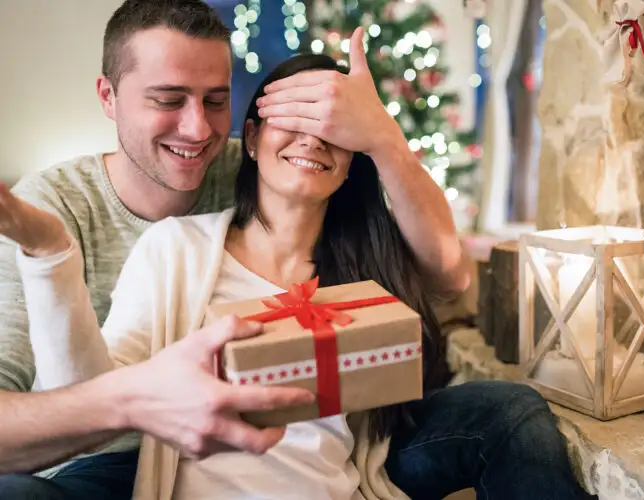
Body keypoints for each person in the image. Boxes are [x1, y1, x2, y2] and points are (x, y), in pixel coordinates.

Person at [0, 1, 590, 499]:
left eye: (212, 102)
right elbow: (88, 397)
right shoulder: (158, 240)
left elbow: (450, 272)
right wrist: (53, 255)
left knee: (511, 412)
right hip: (126, 458)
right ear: (254, 139)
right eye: (168, 99)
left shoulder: (358, 247)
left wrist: (382, 134)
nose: (197, 130)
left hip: (332, 472)